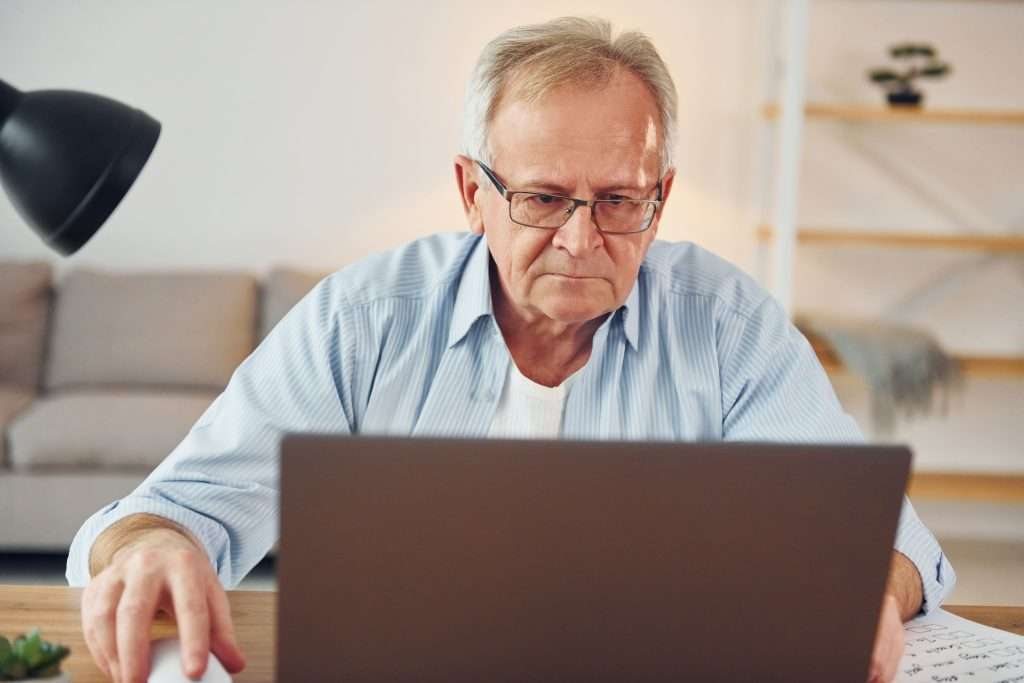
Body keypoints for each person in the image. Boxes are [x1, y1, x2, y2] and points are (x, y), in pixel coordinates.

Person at [67, 16, 954, 683]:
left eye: (618, 199)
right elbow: (171, 510)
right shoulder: (364, 316)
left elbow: (886, 541)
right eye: (541, 197)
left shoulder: (728, 324)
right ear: (472, 190)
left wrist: (866, 590)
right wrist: (155, 547)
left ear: (662, 197)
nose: (579, 239)